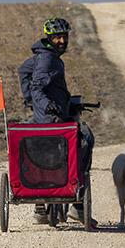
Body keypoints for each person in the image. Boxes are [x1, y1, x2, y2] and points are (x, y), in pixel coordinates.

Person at [19, 17, 96, 226]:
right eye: (57, 37)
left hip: (42, 118)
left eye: (64, 36)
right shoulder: (49, 60)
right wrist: (46, 104)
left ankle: (40, 205)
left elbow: (23, 72)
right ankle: (78, 206)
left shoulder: (41, 56)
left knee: (40, 152)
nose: (62, 41)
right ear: (49, 37)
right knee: (86, 138)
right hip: (53, 118)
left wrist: (31, 102)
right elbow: (38, 87)